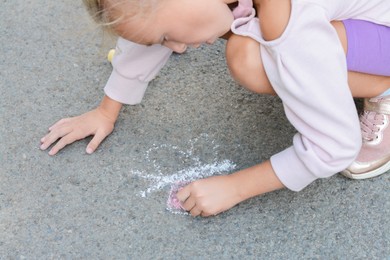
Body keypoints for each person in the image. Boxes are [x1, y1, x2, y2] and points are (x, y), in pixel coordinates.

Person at [40, 0, 390, 216]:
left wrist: (236, 187)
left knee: (250, 57)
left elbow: (335, 146)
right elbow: (146, 20)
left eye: (166, 37)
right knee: (253, 48)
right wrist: (106, 109)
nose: (176, 48)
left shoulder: (290, 21)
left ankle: (382, 88)